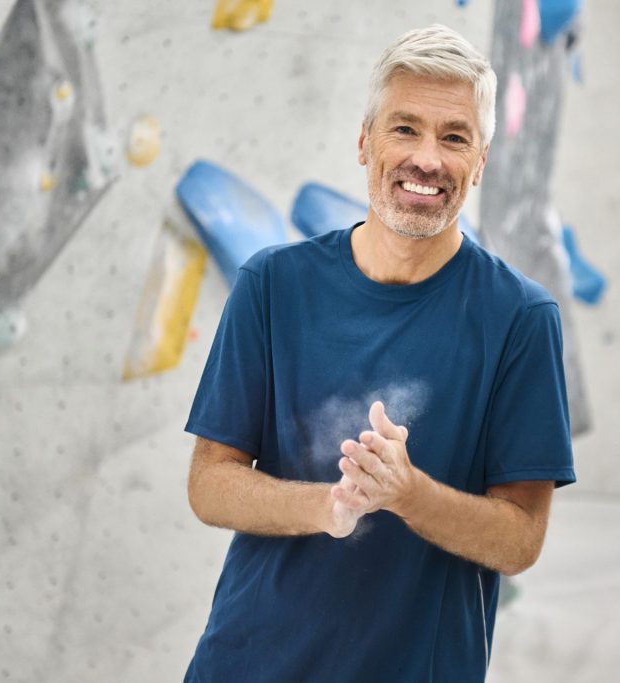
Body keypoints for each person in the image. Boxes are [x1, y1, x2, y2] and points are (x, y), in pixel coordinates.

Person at [183, 24, 575, 683]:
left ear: (480, 162)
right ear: (365, 143)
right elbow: (209, 483)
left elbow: (519, 539)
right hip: (245, 664)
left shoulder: (520, 319)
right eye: (404, 129)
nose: (427, 158)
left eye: (454, 137)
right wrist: (328, 507)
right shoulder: (272, 286)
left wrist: (407, 492)